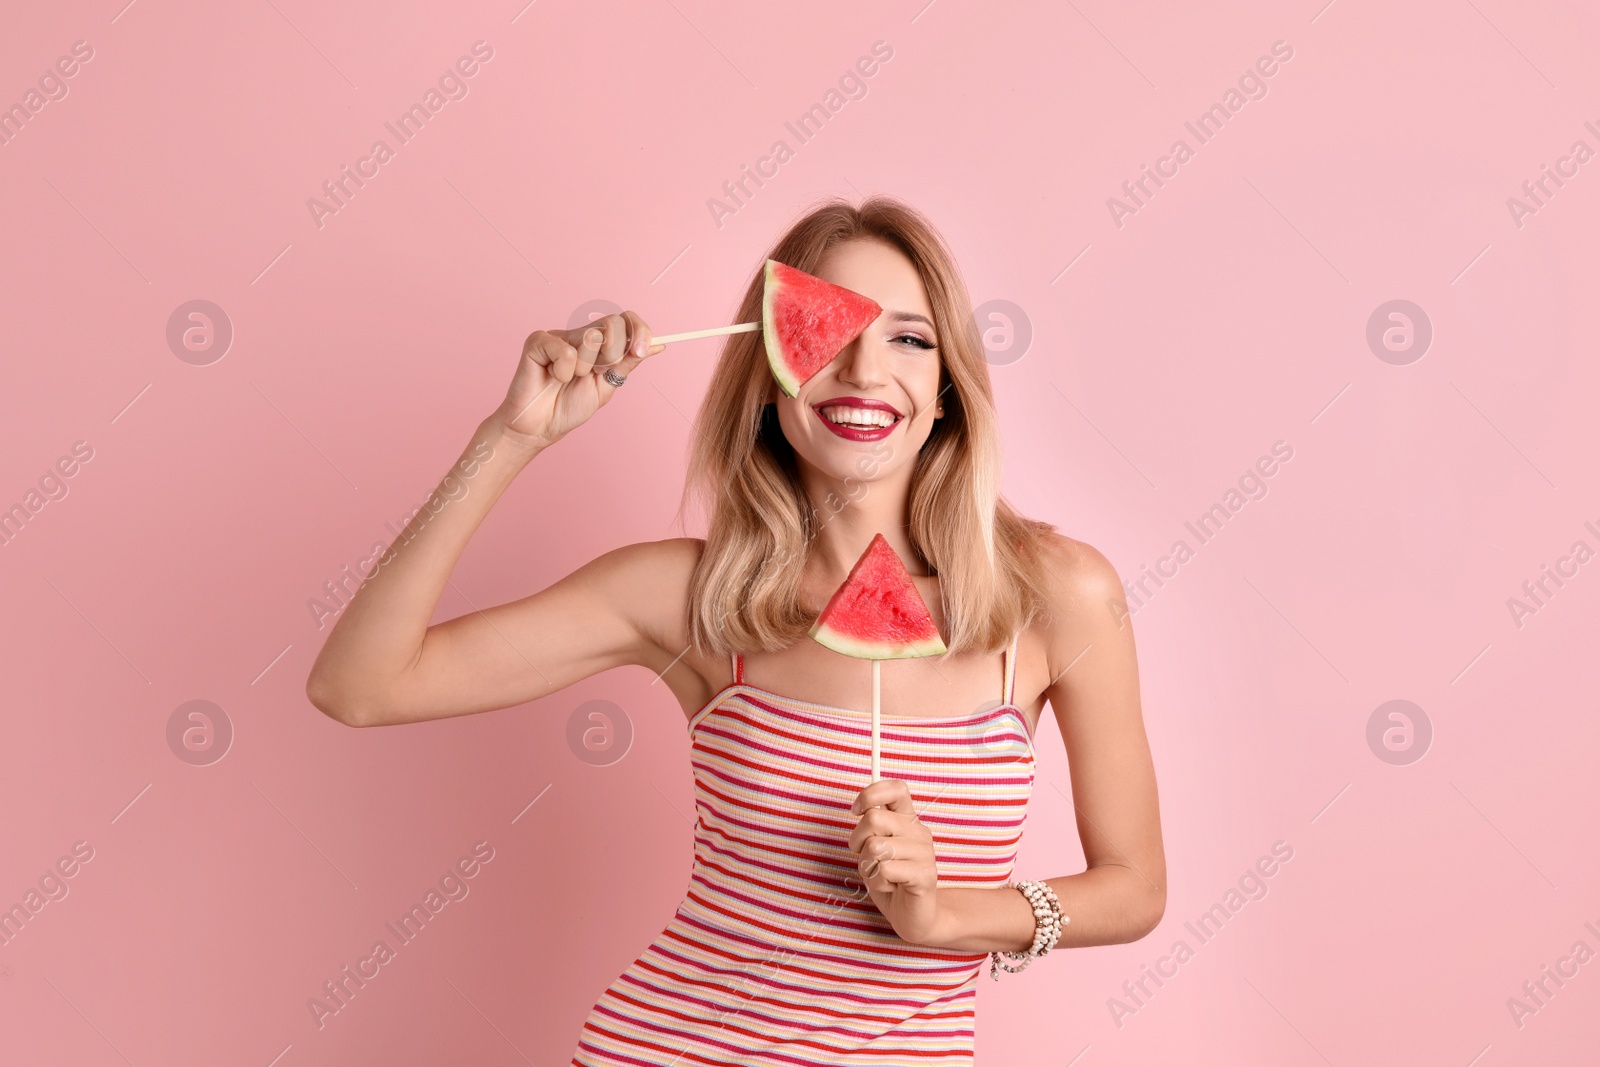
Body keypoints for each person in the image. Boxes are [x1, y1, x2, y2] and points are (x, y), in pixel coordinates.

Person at [306, 195, 1166, 1064]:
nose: (865, 372)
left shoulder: (1055, 595)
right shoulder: (692, 596)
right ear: (771, 374)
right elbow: (360, 685)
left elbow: (1134, 888)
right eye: (823, 333)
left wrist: (946, 914)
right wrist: (510, 438)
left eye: (909, 337)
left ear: (947, 387)